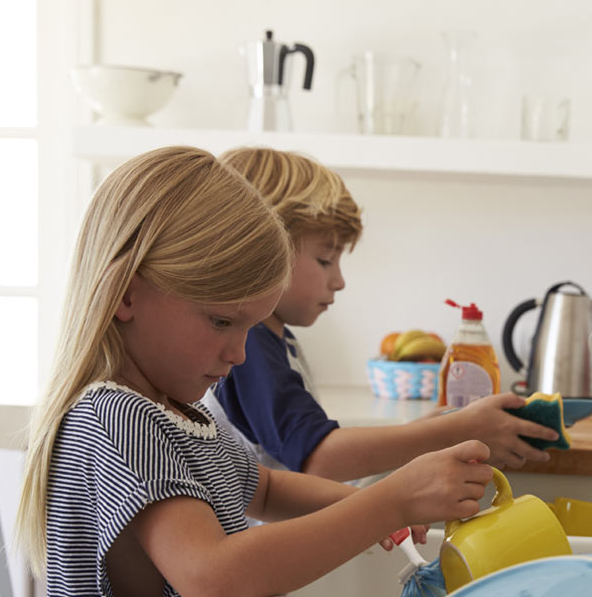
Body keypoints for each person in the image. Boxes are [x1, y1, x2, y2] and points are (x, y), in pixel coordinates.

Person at [13, 146, 492, 597]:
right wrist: (388, 502)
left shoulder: (180, 412)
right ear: (127, 295)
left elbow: (260, 485)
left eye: (251, 325)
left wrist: (355, 510)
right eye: (221, 321)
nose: (239, 352)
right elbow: (218, 582)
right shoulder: (117, 420)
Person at [206, 147, 558, 483]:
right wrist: (454, 430)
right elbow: (318, 456)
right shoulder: (250, 345)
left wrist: (427, 432)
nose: (339, 281)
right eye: (326, 260)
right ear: (263, 251)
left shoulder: (275, 341)